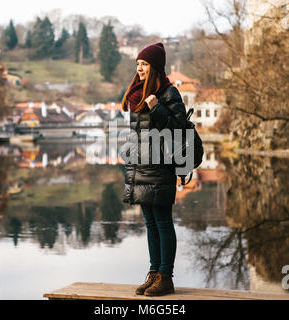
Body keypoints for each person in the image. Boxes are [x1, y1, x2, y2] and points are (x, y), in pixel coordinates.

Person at [121, 42, 187, 296]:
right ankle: (154, 273)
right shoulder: (137, 92)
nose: (139, 69)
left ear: (155, 67)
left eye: (144, 64)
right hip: (141, 165)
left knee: (162, 222)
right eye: (138, 64)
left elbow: (180, 129)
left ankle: (166, 277)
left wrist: (157, 108)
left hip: (161, 166)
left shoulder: (169, 93)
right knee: (150, 222)